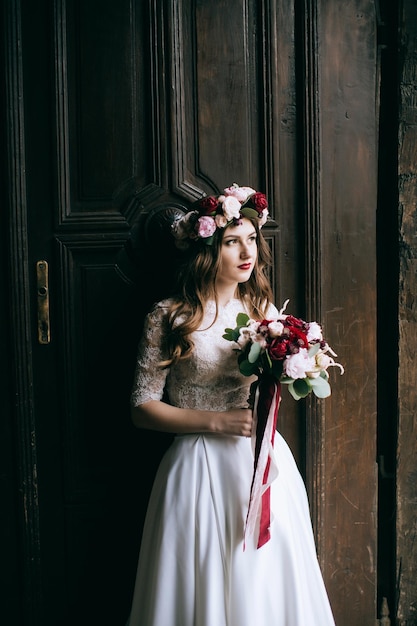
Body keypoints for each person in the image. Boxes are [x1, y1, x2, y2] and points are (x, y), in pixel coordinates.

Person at [126, 183, 336, 626]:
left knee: (264, 581)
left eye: (251, 240)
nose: (248, 252)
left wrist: (299, 368)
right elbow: (142, 407)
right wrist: (216, 423)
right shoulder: (169, 316)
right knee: (200, 577)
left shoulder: (262, 309)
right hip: (198, 467)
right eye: (231, 241)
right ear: (206, 249)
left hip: (262, 461)